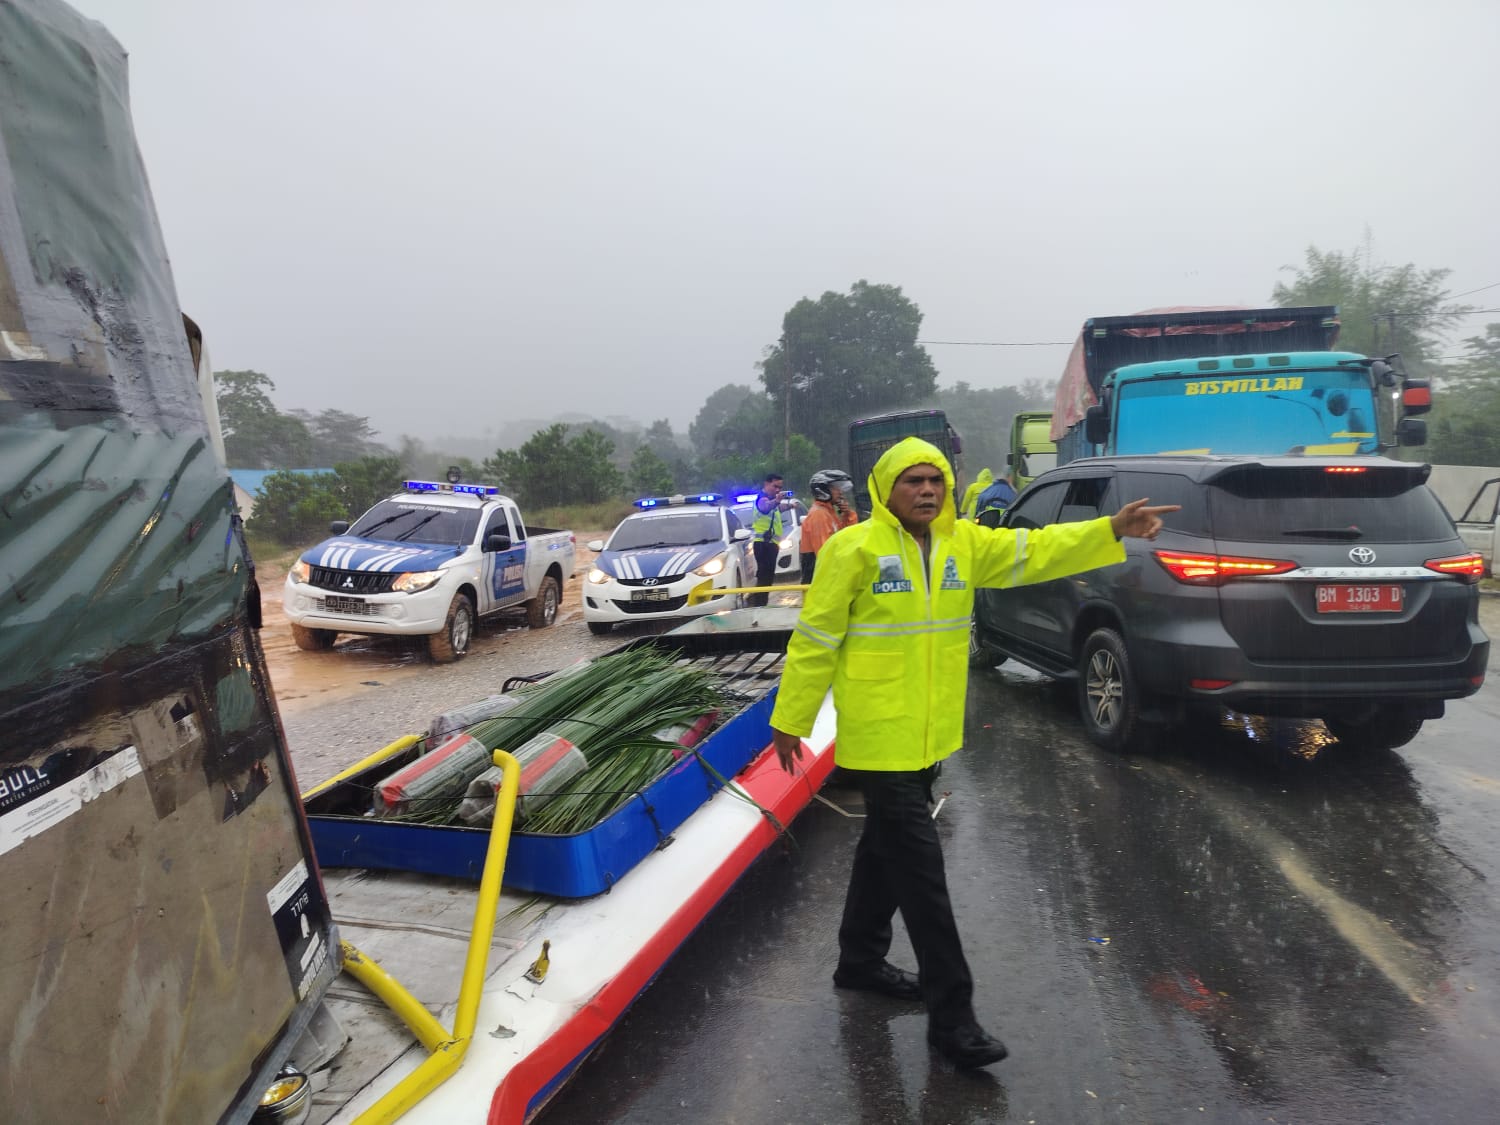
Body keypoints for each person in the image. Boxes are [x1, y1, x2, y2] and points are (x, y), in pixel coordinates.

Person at [768, 437, 1176, 1070]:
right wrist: (791, 719)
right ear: (885, 490)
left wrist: (1109, 530)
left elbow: (1035, 550)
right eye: (913, 482)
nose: (928, 490)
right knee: (924, 879)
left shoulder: (966, 543)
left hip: (929, 732)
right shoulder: (855, 548)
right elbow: (816, 639)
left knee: (883, 850)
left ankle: (859, 959)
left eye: (936, 480)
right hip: (879, 740)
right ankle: (952, 1018)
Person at [798, 469, 858, 584]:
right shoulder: (819, 514)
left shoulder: (828, 512)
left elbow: (847, 535)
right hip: (820, 576)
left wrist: (847, 514)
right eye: (836, 488)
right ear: (823, 490)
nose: (840, 492)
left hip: (827, 573)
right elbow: (824, 552)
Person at [748, 472, 789, 607]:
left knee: (768, 577)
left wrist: (789, 505)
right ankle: (759, 605)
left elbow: (776, 509)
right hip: (763, 544)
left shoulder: (771, 500)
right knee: (764, 577)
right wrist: (777, 500)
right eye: (775, 486)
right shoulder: (762, 498)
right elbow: (765, 508)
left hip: (771, 544)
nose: (778, 490)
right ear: (766, 484)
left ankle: (761, 604)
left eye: (780, 488)